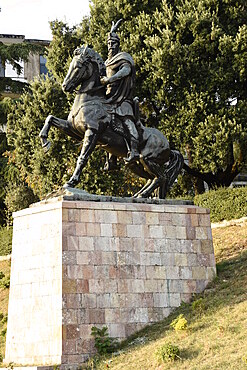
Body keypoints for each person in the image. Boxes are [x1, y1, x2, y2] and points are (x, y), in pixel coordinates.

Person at [100, 19, 139, 163]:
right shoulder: (106, 62)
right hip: (109, 98)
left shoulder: (123, 58)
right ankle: (112, 159)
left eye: (113, 43)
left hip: (122, 98)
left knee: (127, 122)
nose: (111, 46)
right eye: (109, 43)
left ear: (118, 45)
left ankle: (134, 150)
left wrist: (109, 80)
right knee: (102, 125)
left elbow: (125, 71)